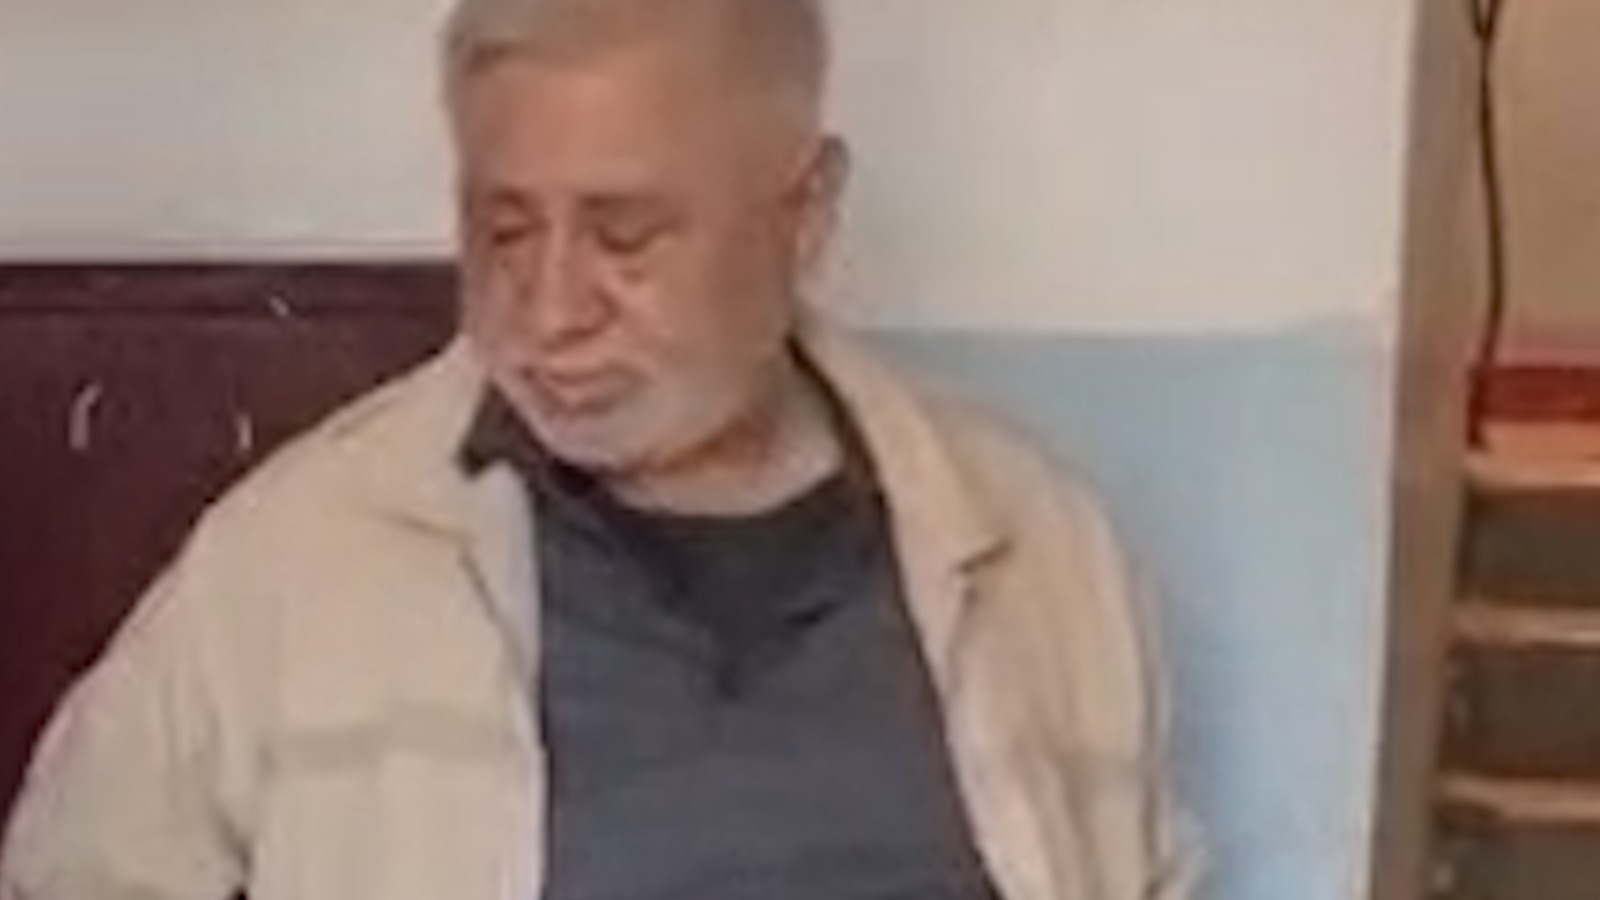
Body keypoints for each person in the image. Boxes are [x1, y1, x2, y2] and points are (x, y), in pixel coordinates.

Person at [0, 1, 1198, 898]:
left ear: (805, 216)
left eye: (626, 235)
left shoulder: (1041, 556)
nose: (550, 308)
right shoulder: (293, 559)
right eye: (505, 230)